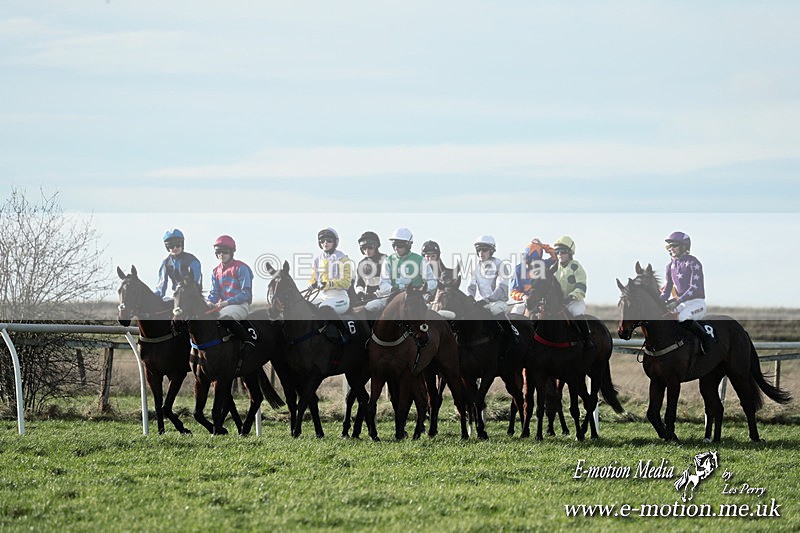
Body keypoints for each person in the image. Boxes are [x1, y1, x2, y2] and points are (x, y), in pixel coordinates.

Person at [660, 231, 714, 354]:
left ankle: (707, 340)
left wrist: (677, 301)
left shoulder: (693, 262)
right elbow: (667, 290)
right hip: (681, 304)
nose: (671, 248)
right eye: (670, 246)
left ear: (684, 246)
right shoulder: (669, 266)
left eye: (674, 245)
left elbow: (694, 288)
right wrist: (658, 302)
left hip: (697, 303)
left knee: (683, 317)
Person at [365, 227, 435, 316]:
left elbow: (433, 281)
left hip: (415, 298)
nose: (396, 248)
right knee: (369, 306)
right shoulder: (388, 260)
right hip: (393, 296)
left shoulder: (420, 260)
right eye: (393, 245)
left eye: (399, 245)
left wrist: (422, 288)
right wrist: (392, 289)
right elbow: (383, 283)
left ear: (408, 245)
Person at [207, 235, 256, 349]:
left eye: (225, 251)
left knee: (224, 318)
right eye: (218, 252)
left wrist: (227, 302)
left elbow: (246, 293)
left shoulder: (241, 267)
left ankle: (248, 343)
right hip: (222, 307)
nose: (221, 255)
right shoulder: (215, 271)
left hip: (240, 305)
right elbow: (214, 293)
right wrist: (209, 302)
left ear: (231, 252)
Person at [308, 227, 354, 342]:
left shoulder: (343, 259)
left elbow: (346, 283)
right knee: (305, 305)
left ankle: (344, 334)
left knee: (324, 308)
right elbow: (313, 279)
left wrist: (329, 283)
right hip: (322, 296)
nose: (325, 243)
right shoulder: (317, 260)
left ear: (335, 242)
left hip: (340, 297)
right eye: (322, 240)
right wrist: (312, 285)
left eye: (329, 240)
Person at [552, 236, 594, 350]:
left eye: (563, 252)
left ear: (570, 253)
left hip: (574, 301)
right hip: (558, 303)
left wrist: (571, 297)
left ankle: (587, 339)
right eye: (557, 252)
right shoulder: (553, 268)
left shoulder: (576, 267)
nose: (560, 254)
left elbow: (581, 286)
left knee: (577, 313)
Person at [509, 238, 556, 314]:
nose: (531, 265)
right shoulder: (518, 269)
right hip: (523, 302)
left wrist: (542, 245)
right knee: (515, 313)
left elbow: (555, 255)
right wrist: (523, 296)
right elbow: (512, 291)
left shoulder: (543, 264)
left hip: (541, 301)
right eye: (528, 261)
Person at [154, 228, 202, 301]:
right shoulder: (165, 263)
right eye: (171, 246)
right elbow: (161, 286)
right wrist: (155, 297)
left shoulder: (192, 261)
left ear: (182, 245)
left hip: (193, 296)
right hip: (176, 295)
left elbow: (196, 282)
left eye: (178, 245)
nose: (175, 248)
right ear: (167, 247)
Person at [467, 235, 509, 316]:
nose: (481, 253)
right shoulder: (474, 267)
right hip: (480, 302)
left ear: (491, 251)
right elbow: (471, 287)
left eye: (484, 250)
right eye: (478, 250)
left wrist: (487, 300)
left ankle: (508, 324)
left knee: (496, 309)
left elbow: (500, 289)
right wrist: (470, 297)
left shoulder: (500, 265)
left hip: (497, 302)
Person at [354, 231, 386, 302]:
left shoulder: (385, 260)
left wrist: (376, 294)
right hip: (368, 299)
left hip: (385, 297)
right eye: (364, 248)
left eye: (370, 247)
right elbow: (359, 284)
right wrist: (361, 294)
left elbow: (389, 283)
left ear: (376, 246)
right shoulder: (361, 264)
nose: (367, 250)